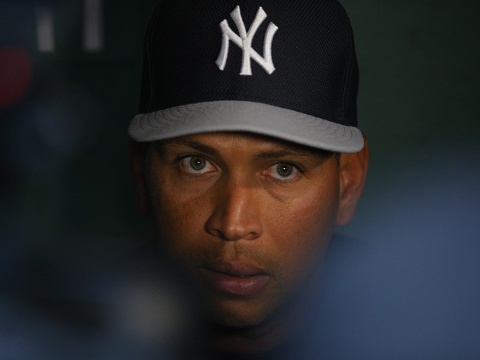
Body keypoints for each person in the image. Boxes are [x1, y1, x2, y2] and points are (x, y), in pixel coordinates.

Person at [128, 0, 369, 357]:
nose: (234, 224)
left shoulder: (434, 334)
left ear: (347, 183)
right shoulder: (73, 337)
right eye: (196, 164)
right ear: (142, 172)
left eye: (283, 170)